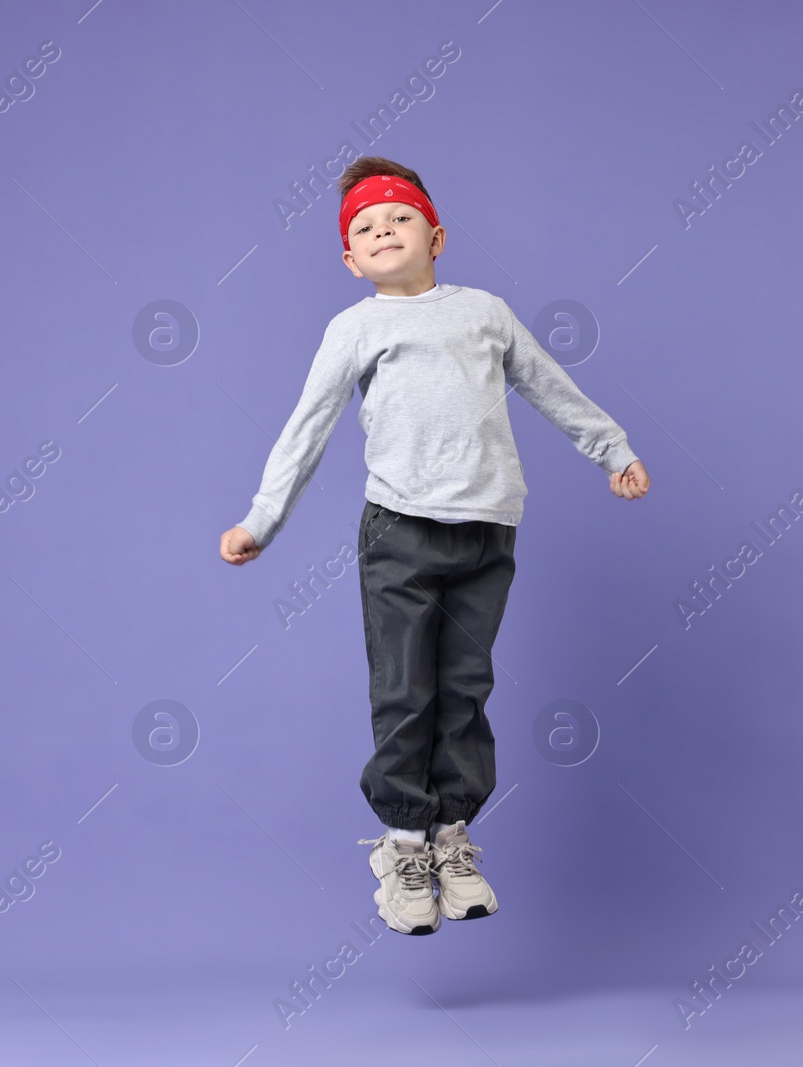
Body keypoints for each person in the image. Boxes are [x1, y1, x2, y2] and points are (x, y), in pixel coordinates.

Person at [219, 157, 650, 935]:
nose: (383, 230)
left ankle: (453, 836)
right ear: (350, 261)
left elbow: (549, 382)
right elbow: (307, 427)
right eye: (364, 227)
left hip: (488, 526)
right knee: (405, 689)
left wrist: (611, 448)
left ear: (436, 235)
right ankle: (404, 845)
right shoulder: (356, 327)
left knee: (465, 687)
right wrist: (263, 517)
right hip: (400, 529)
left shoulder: (485, 311)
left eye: (399, 217)